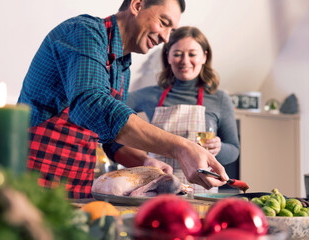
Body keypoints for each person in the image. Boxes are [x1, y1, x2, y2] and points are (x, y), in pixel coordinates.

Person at [18, 0, 229, 199]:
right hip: (33, 180)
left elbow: (110, 138)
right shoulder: (84, 32)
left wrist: (146, 161)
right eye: (164, 23)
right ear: (137, 5)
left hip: (76, 187)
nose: (166, 38)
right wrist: (180, 147)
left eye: (171, 31)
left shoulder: (122, 65)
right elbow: (90, 105)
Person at [124, 26, 240, 193]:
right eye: (177, 54)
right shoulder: (149, 95)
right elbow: (110, 111)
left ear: (204, 57)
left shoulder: (220, 98)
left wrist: (219, 149)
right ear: (168, 57)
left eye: (192, 54)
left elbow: (234, 151)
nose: (185, 61)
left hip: (202, 194)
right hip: (158, 192)